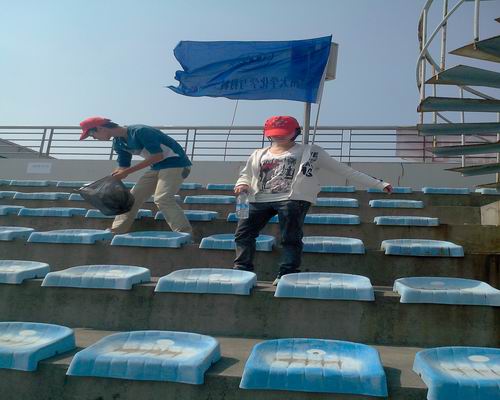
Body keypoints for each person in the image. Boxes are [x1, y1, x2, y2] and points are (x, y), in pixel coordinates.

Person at [233, 116, 393, 285]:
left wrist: (379, 184)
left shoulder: (310, 152)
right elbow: (246, 175)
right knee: (243, 234)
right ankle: (242, 270)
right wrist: (242, 184)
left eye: (284, 133)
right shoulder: (259, 153)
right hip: (259, 198)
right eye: (274, 133)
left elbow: (344, 170)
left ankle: (287, 272)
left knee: (290, 237)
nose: (279, 136)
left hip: (292, 198)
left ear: (296, 132)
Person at [79, 116, 193, 235]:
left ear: (100, 128)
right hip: (156, 167)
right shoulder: (118, 142)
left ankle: (185, 234)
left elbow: (158, 156)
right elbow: (123, 166)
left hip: (177, 163)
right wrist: (114, 177)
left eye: (92, 135)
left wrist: (127, 172)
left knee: (162, 198)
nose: (94, 138)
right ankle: (116, 231)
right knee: (131, 199)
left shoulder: (140, 131)